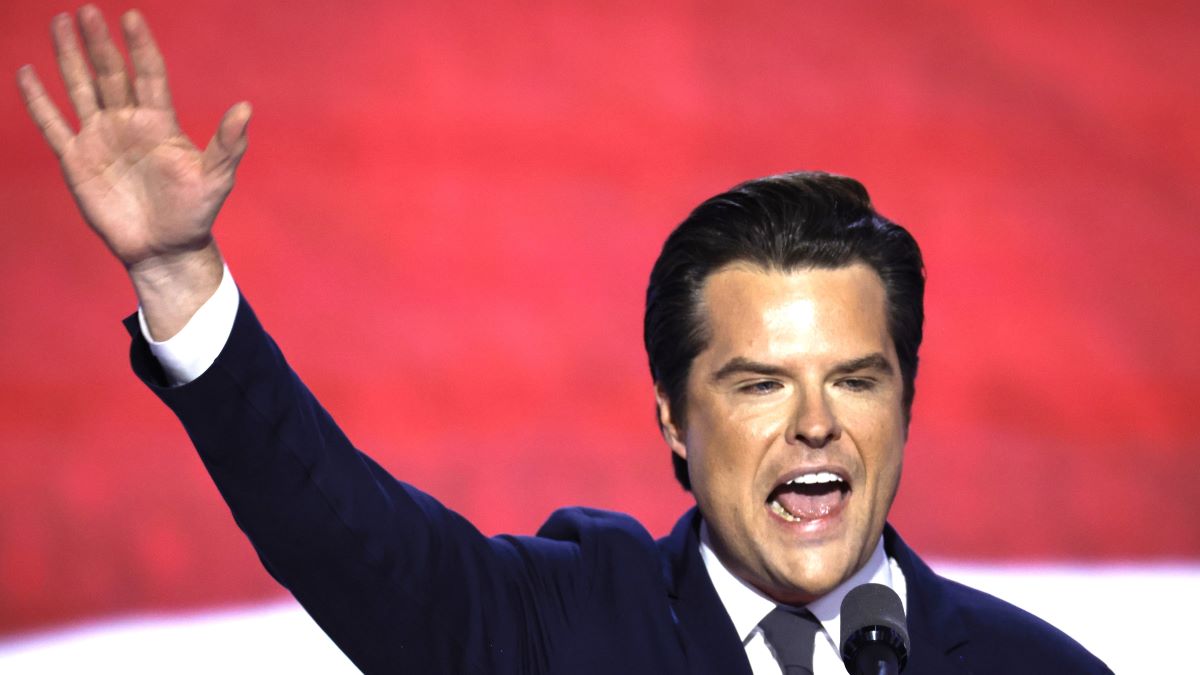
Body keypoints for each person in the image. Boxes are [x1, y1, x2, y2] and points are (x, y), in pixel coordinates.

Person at [18, 6, 1112, 675]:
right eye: (760, 383)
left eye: (855, 380)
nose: (815, 423)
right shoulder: (559, 634)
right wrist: (176, 274)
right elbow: (345, 538)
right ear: (675, 425)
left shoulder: (1037, 672)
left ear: (905, 407)